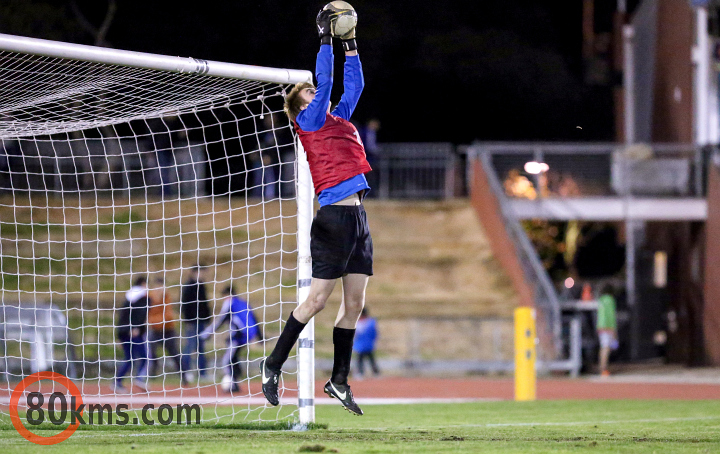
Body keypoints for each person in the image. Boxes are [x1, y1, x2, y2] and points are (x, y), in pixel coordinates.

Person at [260, 8, 372, 416]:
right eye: (306, 92)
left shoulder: (337, 119)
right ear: (298, 107)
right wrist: (326, 39)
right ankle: (272, 365)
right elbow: (325, 84)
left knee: (355, 303)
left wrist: (351, 43)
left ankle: (339, 380)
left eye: (311, 90)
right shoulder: (307, 121)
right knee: (317, 301)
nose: (314, 93)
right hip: (332, 219)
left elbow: (353, 85)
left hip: (357, 218)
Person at [200, 285, 262, 393]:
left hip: (240, 335)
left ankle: (232, 384)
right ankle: (235, 381)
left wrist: (206, 334)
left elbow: (221, 320)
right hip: (249, 334)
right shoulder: (243, 302)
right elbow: (254, 318)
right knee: (233, 358)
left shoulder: (230, 302)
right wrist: (260, 336)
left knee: (227, 360)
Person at [113, 276, 150, 393]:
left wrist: (119, 334)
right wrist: (135, 327)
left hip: (123, 331)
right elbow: (140, 314)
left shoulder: (128, 297)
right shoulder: (142, 298)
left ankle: (118, 382)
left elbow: (122, 316)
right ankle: (138, 378)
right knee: (143, 356)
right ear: (143, 283)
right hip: (133, 332)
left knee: (130, 359)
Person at [146, 276, 185, 383]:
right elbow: (149, 315)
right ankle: (152, 376)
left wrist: (155, 321)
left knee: (175, 354)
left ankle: (183, 376)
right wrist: (155, 321)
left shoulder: (166, 297)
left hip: (168, 330)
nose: (160, 289)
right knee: (151, 353)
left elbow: (168, 316)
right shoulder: (150, 297)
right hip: (155, 330)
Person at [180, 264, 211, 382]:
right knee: (189, 346)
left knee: (201, 348)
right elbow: (185, 305)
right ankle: (185, 372)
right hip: (192, 322)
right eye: (200, 272)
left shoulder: (202, 285)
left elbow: (205, 303)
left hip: (202, 321)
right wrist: (187, 320)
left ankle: (202, 372)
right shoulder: (188, 286)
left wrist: (208, 318)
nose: (202, 275)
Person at [596, 284, 618, 377]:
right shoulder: (610, 300)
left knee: (603, 347)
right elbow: (611, 315)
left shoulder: (600, 300)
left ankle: (602, 367)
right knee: (606, 347)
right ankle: (603, 368)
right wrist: (613, 328)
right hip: (607, 326)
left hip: (600, 326)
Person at [353, 308, 379, 378]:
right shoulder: (371, 322)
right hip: (364, 345)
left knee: (368, 360)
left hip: (363, 345)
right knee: (365, 360)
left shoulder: (360, 323)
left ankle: (363, 373)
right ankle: (373, 372)